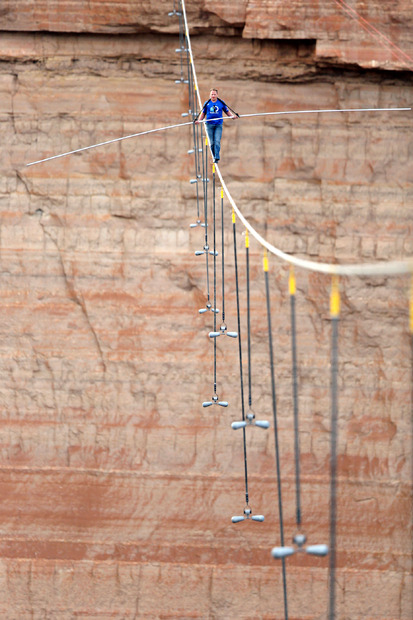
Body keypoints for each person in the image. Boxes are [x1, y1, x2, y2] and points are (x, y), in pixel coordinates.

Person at [195, 88, 237, 162]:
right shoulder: (207, 103)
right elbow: (203, 114)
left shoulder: (221, 102)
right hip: (209, 125)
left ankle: (217, 157)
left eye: (214, 94)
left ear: (217, 95)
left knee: (217, 141)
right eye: (212, 94)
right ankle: (214, 156)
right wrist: (199, 120)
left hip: (218, 125)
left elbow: (227, 111)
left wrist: (232, 116)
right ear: (210, 95)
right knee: (211, 143)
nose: (213, 96)